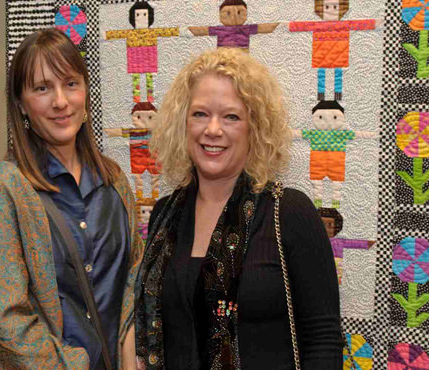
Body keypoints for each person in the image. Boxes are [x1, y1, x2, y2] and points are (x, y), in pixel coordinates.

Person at [135, 48, 342, 369]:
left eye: (231, 116)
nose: (213, 129)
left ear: (254, 128)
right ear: (182, 123)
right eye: (200, 114)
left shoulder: (288, 213)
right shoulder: (164, 214)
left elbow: (322, 337)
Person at [0, 28, 142, 369]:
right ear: (21, 103)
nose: (60, 101)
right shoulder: (2, 188)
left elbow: (135, 280)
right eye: (42, 88)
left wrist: (130, 346)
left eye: (71, 84)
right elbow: (2, 321)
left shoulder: (114, 181)